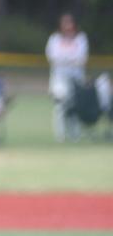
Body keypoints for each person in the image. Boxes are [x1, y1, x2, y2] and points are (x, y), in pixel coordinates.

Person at [45, 12, 89, 141]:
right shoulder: (55, 39)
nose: (67, 26)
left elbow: (81, 59)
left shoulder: (81, 38)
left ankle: (75, 133)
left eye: (70, 23)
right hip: (59, 79)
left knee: (76, 105)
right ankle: (61, 135)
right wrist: (70, 59)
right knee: (61, 104)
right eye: (65, 23)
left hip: (76, 79)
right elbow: (53, 58)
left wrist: (65, 59)